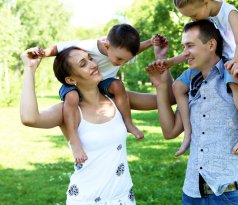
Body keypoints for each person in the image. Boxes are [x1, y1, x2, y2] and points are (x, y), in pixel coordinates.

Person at [146, 19, 238, 204]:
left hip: (231, 194)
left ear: (211, 45)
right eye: (184, 46)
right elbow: (170, 132)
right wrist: (161, 86)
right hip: (192, 193)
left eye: (190, 45)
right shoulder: (190, 84)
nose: (185, 53)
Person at [21, 46, 139, 204]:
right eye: (83, 64)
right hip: (86, 199)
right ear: (71, 80)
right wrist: (29, 68)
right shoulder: (68, 110)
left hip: (123, 197)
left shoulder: (117, 99)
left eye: (90, 58)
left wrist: (164, 68)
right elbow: (29, 118)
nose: (93, 64)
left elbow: (168, 98)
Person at [35, 24, 166, 164]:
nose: (122, 64)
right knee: (72, 97)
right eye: (120, 59)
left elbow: (131, 50)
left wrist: (150, 42)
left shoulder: (119, 50)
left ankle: (128, 122)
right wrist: (43, 53)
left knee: (117, 85)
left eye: (125, 60)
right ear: (107, 46)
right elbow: (58, 48)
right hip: (73, 85)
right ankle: (74, 141)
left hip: (101, 84)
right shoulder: (89, 47)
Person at [161, 0, 238, 156]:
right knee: (178, 85)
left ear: (206, 2)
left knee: (233, 82)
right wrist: (171, 62)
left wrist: (235, 62)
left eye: (194, 15)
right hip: (217, 61)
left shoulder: (230, 12)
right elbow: (197, 48)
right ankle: (188, 132)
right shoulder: (205, 17)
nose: (193, 20)